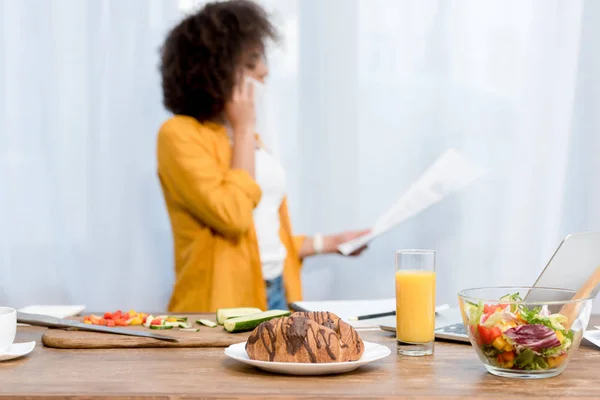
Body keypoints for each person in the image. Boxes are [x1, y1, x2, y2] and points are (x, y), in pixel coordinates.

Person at [157, 0, 369, 312]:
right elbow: (233, 216)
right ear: (216, 69)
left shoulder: (249, 138)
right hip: (221, 309)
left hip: (278, 293)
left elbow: (263, 236)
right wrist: (243, 129)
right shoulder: (179, 135)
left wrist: (330, 243)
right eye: (252, 61)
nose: (264, 70)